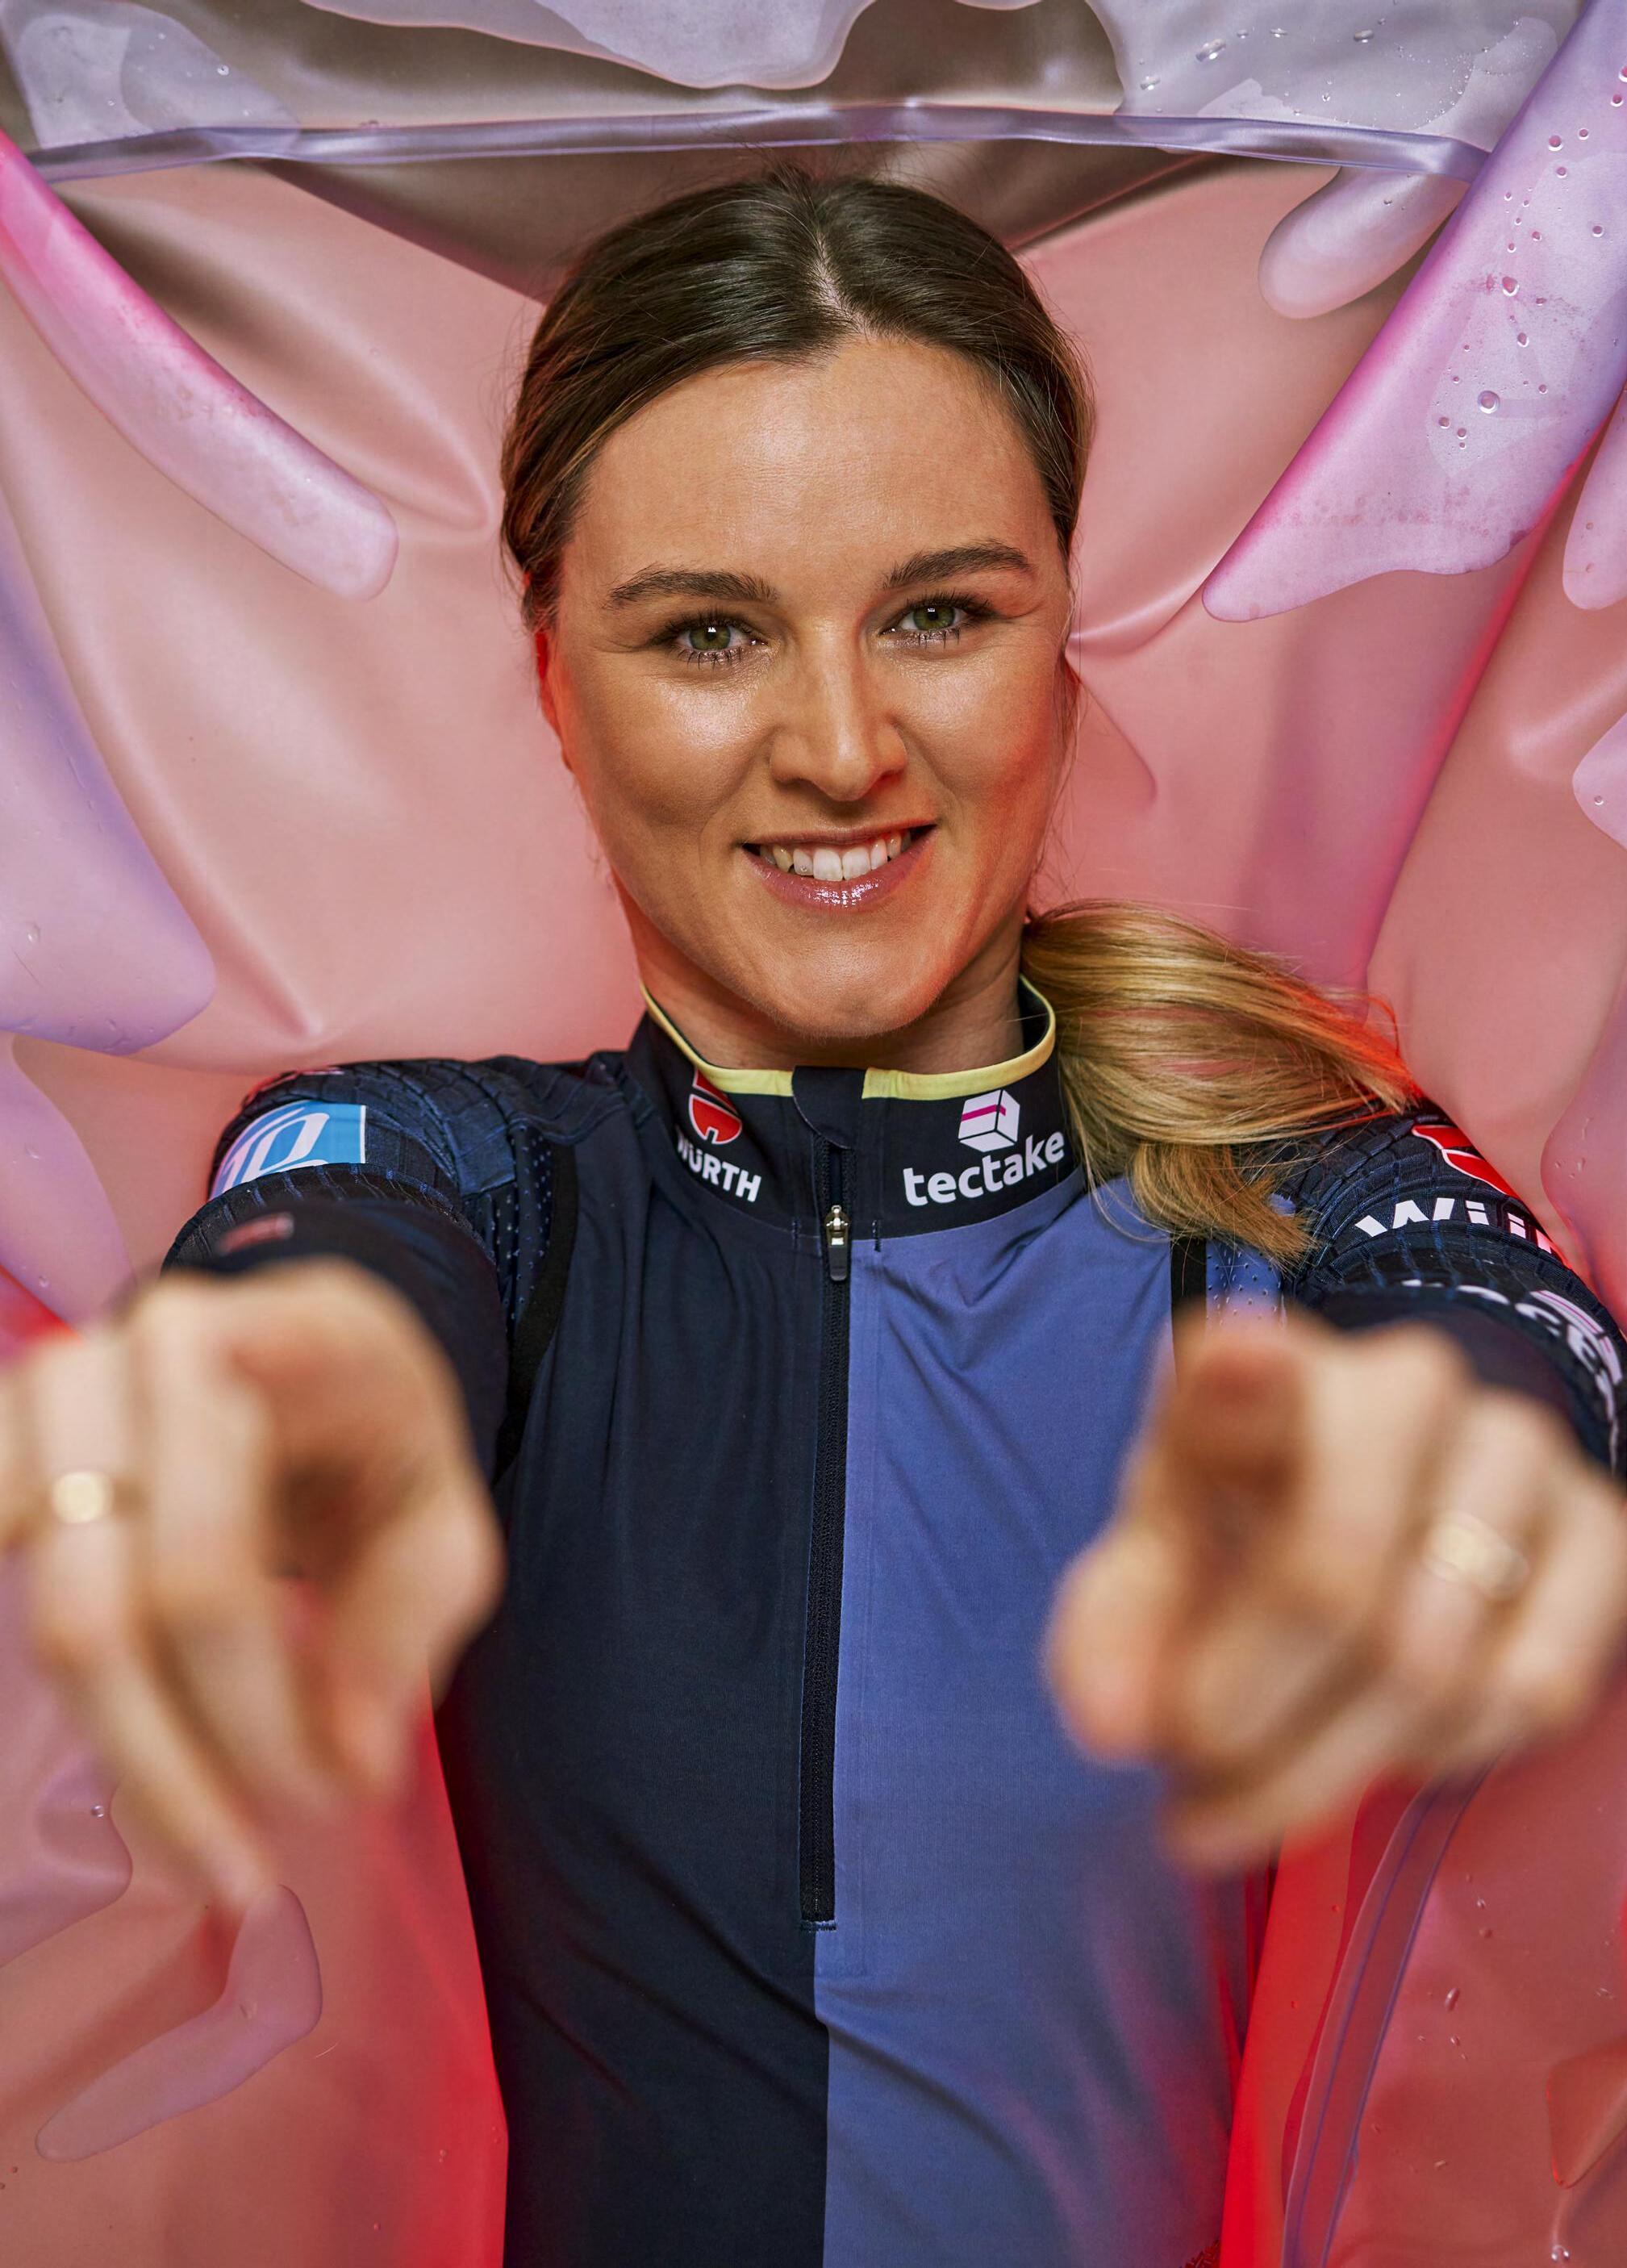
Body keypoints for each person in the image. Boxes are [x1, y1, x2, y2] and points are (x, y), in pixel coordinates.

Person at [6, 163, 1626, 2268]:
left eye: (940, 614)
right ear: (555, 683)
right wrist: (275, 1386)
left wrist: (1468, 1439)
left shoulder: (1294, 1183)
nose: (844, 748)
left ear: (1061, 645)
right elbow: (318, 1258)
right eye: (708, 633)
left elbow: (1503, 1335)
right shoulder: (461, 1168)